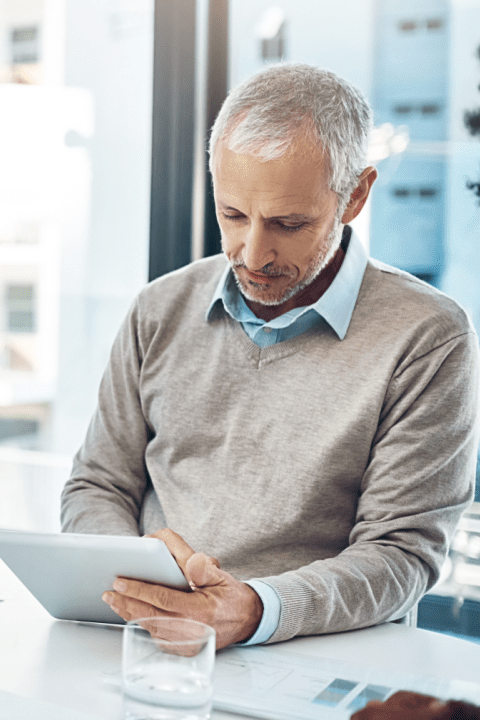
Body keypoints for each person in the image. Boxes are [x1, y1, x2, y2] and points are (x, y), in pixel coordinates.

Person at [60, 62, 479, 649]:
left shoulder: (429, 337)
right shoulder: (158, 309)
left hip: (313, 653)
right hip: (150, 641)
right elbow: (96, 486)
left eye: (288, 223)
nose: (253, 253)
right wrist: (137, 567)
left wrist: (256, 610)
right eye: (233, 215)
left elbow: (401, 554)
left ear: (355, 194)